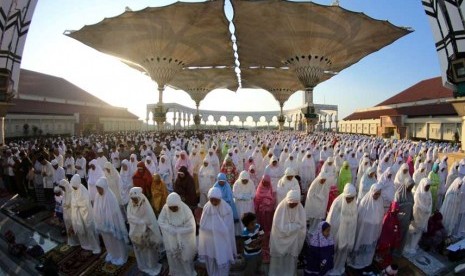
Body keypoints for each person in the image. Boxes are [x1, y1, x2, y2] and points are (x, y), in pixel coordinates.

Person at [198, 187, 237, 275]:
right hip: (210, 240)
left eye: (216, 200)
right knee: (211, 259)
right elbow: (203, 225)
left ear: (220, 199)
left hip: (222, 241)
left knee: (222, 258)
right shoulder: (207, 207)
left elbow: (228, 228)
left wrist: (215, 229)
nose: (214, 203)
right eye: (212, 200)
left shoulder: (227, 209)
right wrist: (212, 229)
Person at [158, 192, 197, 276]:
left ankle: (187, 273)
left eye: (174, 207)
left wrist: (179, 231)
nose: (172, 210)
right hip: (171, 239)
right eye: (171, 208)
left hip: (184, 240)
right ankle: (176, 272)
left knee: (185, 259)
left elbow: (191, 228)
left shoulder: (186, 210)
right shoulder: (166, 208)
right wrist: (169, 228)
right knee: (173, 258)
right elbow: (160, 221)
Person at [127, 187, 163, 275]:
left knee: (149, 251)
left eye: (135, 199)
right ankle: (143, 265)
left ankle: (151, 266)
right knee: (140, 251)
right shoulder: (130, 205)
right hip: (135, 233)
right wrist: (137, 222)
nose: (133, 201)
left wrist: (140, 223)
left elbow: (149, 220)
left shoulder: (144, 205)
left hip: (146, 233)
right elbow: (129, 217)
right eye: (132, 199)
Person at [269, 190, 306, 276]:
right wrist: (294, 227)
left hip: (294, 241)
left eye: (295, 203)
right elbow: (278, 228)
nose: (293, 205)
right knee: (279, 258)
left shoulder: (300, 209)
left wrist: (294, 228)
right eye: (291, 203)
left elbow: (302, 227)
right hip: (281, 240)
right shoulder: (280, 209)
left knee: (290, 259)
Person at [348, 183, 384, 270]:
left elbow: (380, 217)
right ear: (372, 192)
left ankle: (366, 261)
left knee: (369, 248)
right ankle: (356, 261)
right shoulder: (365, 202)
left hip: (373, 231)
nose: (377, 196)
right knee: (361, 246)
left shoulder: (380, 202)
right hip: (363, 231)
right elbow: (360, 218)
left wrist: (375, 222)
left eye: (379, 194)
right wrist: (370, 221)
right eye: (376, 194)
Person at [93, 177, 129, 265]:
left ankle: (121, 255)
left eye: (100, 188)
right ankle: (112, 253)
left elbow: (114, 213)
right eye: (97, 188)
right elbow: (96, 209)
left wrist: (108, 221)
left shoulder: (110, 197)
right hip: (103, 225)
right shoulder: (97, 196)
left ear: (104, 187)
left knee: (116, 240)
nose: (98, 190)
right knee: (108, 241)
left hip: (112, 224)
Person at [327, 183, 357, 276]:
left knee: (343, 252)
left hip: (347, 232)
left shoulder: (353, 204)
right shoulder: (337, 202)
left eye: (352, 198)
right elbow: (332, 219)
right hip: (337, 232)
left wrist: (348, 222)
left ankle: (339, 267)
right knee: (334, 251)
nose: (350, 200)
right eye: (348, 198)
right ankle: (331, 267)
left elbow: (354, 218)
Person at [70, 174, 101, 254]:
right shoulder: (73, 191)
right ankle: (85, 244)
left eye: (74, 186)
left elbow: (86, 203)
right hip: (78, 215)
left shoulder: (83, 190)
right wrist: (75, 205)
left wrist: (77, 204)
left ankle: (95, 246)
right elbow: (73, 201)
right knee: (81, 230)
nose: (73, 188)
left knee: (89, 230)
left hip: (86, 214)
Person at [403, 178, 432, 255]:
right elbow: (418, 204)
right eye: (426, 186)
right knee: (412, 231)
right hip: (417, 216)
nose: (428, 188)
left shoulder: (429, 193)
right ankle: (408, 245)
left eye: (429, 186)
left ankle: (413, 245)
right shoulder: (418, 193)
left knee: (419, 232)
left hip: (424, 216)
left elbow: (430, 203)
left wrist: (428, 209)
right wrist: (425, 209)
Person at [254, 175, 275, 263]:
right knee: (261, 227)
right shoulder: (259, 188)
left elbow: (273, 199)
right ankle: (262, 242)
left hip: (268, 213)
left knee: (268, 228)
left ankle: (268, 242)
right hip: (261, 213)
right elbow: (257, 199)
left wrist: (268, 203)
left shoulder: (270, 188)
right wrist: (262, 204)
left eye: (267, 182)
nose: (266, 183)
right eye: (264, 182)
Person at [375, 202, 401, 268]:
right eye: (394, 210)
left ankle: (384, 259)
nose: (395, 212)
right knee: (382, 249)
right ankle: (378, 258)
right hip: (385, 238)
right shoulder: (387, 217)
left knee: (387, 250)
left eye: (396, 211)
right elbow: (383, 229)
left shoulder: (395, 218)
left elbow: (396, 227)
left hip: (391, 238)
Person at [394, 179, 414, 253]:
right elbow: (395, 207)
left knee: (403, 236)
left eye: (412, 187)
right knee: (396, 236)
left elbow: (412, 206)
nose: (410, 188)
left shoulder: (410, 194)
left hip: (406, 220)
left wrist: (411, 217)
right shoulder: (398, 194)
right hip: (399, 219)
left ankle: (399, 251)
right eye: (410, 187)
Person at [58, 179, 79, 246]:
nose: (62, 189)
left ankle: (77, 240)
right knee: (68, 227)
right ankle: (72, 241)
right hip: (66, 214)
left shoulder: (71, 193)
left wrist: (66, 205)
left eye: (63, 188)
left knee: (73, 227)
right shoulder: (64, 193)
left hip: (71, 213)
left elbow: (74, 204)